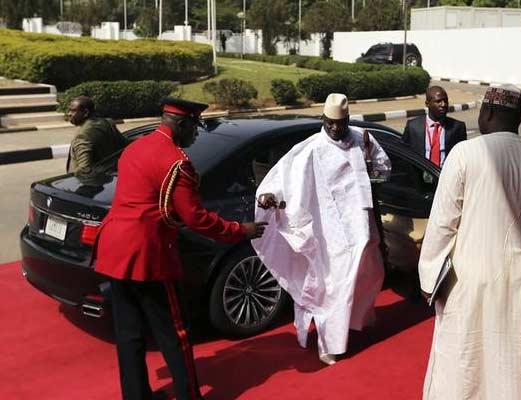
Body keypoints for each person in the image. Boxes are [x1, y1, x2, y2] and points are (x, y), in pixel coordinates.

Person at [93, 97, 268, 400]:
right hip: (147, 253)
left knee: (129, 332)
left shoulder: (135, 147)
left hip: (113, 248)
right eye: (195, 129)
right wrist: (241, 230)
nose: (196, 136)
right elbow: (195, 218)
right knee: (175, 333)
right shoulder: (176, 162)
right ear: (183, 123)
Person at [418, 85, 521, 400]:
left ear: (486, 113)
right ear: (519, 117)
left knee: (462, 363)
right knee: (510, 365)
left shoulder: (464, 154)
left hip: (467, 280)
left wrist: (429, 277)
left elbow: (443, 224)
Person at [253, 93, 391, 366]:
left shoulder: (362, 140)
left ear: (348, 120)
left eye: (340, 124)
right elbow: (282, 176)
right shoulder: (310, 148)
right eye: (330, 124)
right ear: (323, 120)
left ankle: (351, 324)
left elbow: (384, 170)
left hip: (361, 231)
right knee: (333, 286)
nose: (335, 129)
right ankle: (330, 345)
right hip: (328, 234)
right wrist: (266, 196)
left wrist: (368, 169)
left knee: (367, 278)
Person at [402, 85, 467, 167]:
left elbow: (463, 157)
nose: (443, 104)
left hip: (446, 175)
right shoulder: (413, 126)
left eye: (445, 101)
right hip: (420, 175)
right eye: (438, 101)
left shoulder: (457, 127)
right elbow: (404, 153)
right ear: (427, 104)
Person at [66, 96, 128, 177]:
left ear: (85, 113)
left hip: (89, 185)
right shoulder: (107, 123)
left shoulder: (82, 136)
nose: (69, 114)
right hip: (111, 178)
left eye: (73, 111)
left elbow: (84, 170)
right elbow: (124, 145)